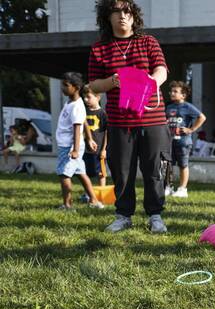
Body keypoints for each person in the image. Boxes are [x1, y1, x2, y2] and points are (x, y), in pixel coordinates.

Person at [88, 0, 171, 233]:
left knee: (153, 169)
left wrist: (148, 82)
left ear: (134, 16)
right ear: (107, 16)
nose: (122, 16)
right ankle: (123, 215)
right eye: (116, 11)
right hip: (119, 121)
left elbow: (161, 70)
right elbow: (93, 85)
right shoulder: (99, 49)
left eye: (127, 11)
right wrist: (113, 81)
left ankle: (155, 215)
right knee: (122, 171)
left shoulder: (148, 42)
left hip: (152, 119)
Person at [55, 72, 104, 210]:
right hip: (71, 146)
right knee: (81, 173)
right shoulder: (71, 102)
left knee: (64, 174)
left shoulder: (76, 105)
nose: (62, 88)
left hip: (70, 147)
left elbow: (78, 128)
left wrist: (76, 149)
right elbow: (83, 121)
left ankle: (67, 205)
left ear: (76, 87)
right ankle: (94, 201)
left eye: (65, 85)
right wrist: (88, 138)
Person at [165, 80, 207, 198]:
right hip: (169, 142)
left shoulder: (187, 106)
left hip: (183, 142)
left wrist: (191, 129)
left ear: (183, 95)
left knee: (183, 165)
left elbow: (202, 117)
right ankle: (168, 187)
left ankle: (183, 189)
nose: (172, 93)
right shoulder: (169, 107)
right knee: (168, 164)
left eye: (175, 91)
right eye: (171, 91)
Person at [81, 84, 108, 196]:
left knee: (101, 173)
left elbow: (107, 132)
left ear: (98, 97)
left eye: (88, 97)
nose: (85, 99)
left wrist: (104, 149)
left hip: (99, 150)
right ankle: (89, 193)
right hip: (85, 149)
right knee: (85, 172)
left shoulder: (103, 113)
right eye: (84, 97)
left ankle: (102, 193)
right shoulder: (83, 112)